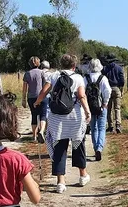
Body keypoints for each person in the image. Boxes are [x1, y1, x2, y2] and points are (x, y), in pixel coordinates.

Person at [34, 54, 92, 193]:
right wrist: (87, 112)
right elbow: (82, 96)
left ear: (61, 64)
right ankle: (83, 175)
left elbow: (44, 91)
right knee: (78, 144)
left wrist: (37, 102)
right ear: (74, 65)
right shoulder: (78, 78)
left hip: (57, 118)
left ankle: (60, 182)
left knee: (59, 147)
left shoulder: (53, 76)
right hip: (74, 116)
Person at [84, 59, 112, 161]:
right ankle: (100, 148)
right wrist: (105, 102)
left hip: (90, 107)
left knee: (93, 128)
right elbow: (108, 91)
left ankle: (95, 148)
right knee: (101, 128)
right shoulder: (103, 78)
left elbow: (82, 92)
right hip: (101, 106)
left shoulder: (86, 78)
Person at [22, 56, 48, 143]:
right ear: (38, 63)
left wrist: (23, 99)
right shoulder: (42, 73)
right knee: (43, 115)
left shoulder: (27, 74)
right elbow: (45, 85)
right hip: (41, 96)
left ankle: (34, 136)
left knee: (33, 115)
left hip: (31, 97)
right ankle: (41, 131)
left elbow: (24, 88)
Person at [103, 54, 125, 133]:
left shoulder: (105, 69)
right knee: (117, 108)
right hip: (116, 88)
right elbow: (122, 80)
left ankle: (110, 126)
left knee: (108, 109)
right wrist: (120, 86)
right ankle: (118, 125)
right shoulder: (119, 68)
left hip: (107, 89)